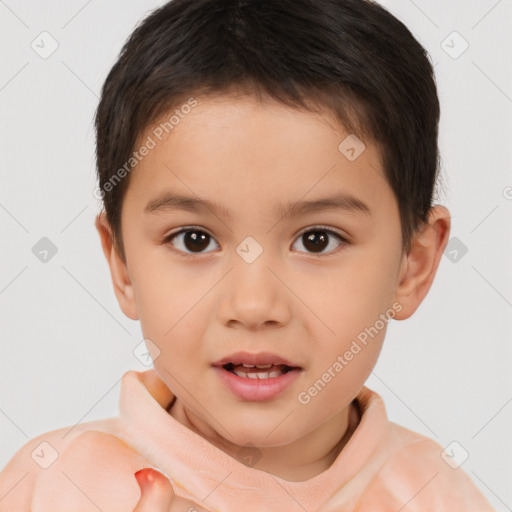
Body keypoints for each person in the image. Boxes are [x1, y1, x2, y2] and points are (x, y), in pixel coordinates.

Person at [0, 0, 496, 510]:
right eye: (194, 239)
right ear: (122, 264)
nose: (254, 306)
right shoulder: (49, 488)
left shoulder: (439, 496)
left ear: (411, 265)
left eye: (317, 240)